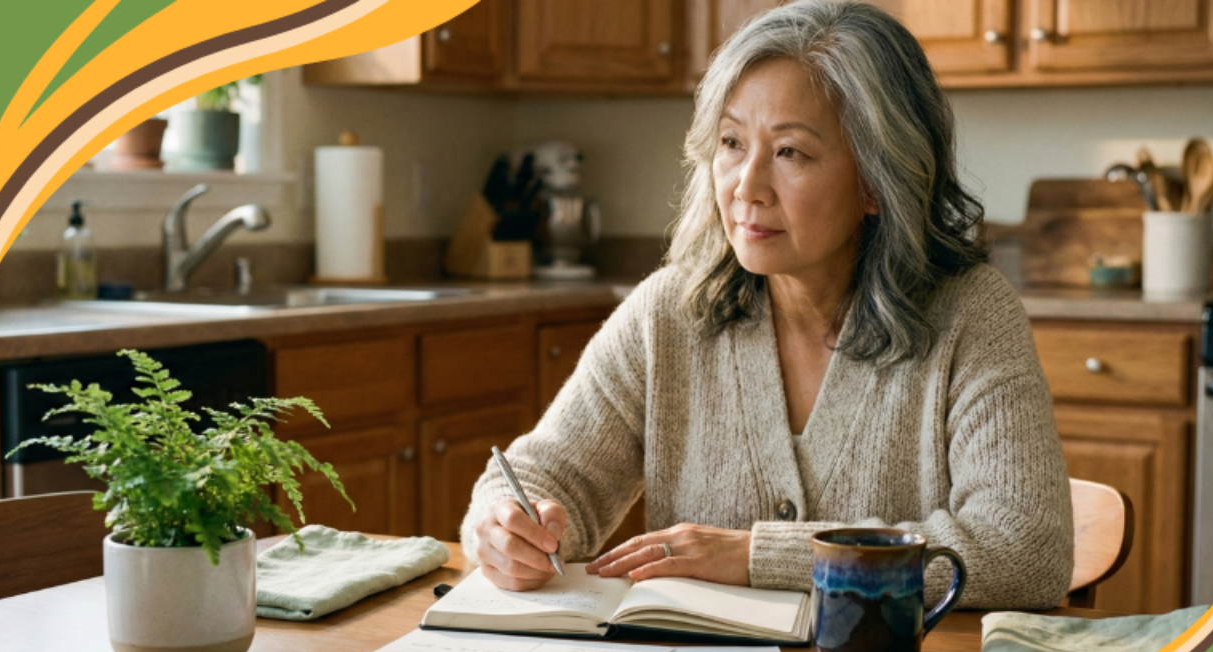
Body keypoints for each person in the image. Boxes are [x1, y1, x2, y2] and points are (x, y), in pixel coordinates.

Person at [460, 0, 1073, 608]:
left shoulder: (971, 315)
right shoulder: (667, 312)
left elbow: (1025, 552)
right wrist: (504, 523)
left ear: (877, 182)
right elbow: (543, 475)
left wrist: (759, 556)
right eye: (731, 142)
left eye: (790, 153)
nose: (746, 187)